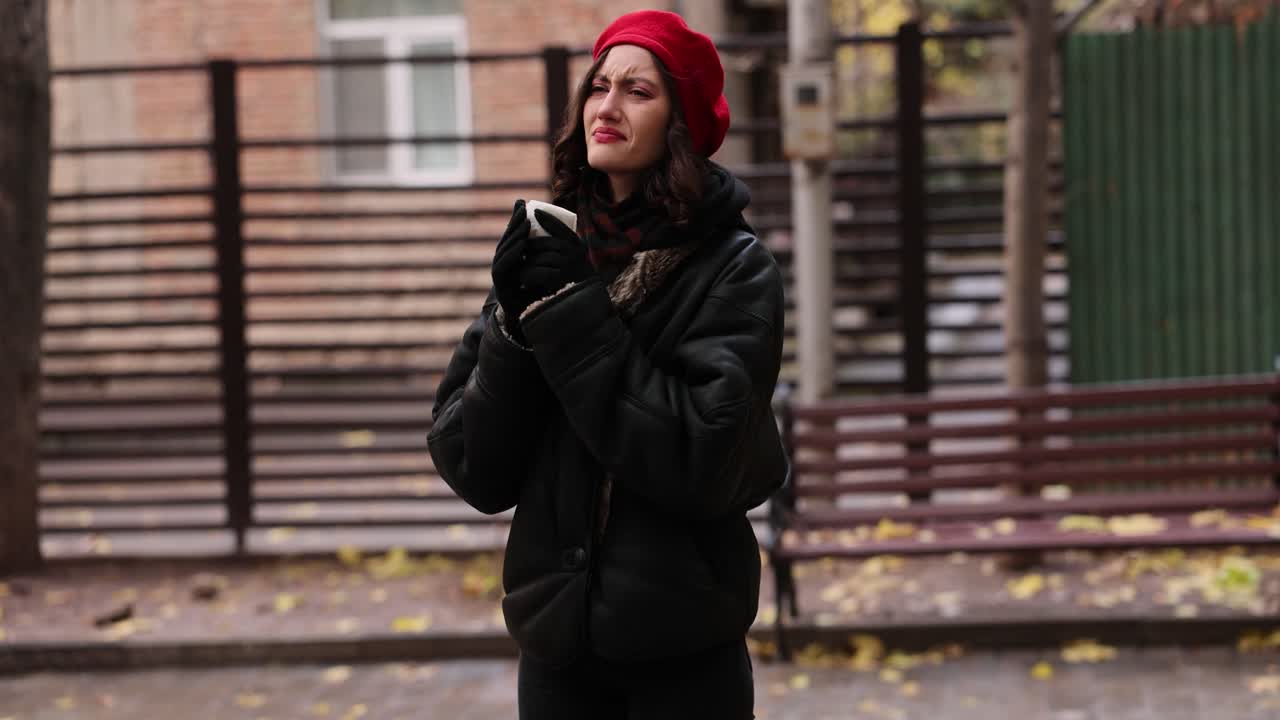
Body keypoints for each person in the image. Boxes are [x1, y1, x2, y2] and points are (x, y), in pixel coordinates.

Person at [427, 10, 788, 719]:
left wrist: (569, 313)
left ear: (679, 123)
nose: (608, 106)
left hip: (683, 655)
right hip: (558, 652)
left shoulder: (733, 270)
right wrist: (511, 323)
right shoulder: (552, 251)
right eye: (599, 86)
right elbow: (470, 463)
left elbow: (698, 457)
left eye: (638, 91)